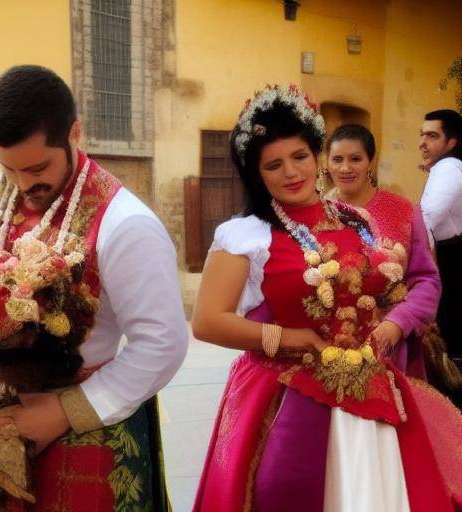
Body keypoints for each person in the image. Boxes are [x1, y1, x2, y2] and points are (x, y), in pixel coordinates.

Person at [192, 85, 462, 512]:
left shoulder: (356, 220)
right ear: (256, 174)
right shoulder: (244, 235)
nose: (291, 173)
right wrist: (293, 339)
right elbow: (207, 321)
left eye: (299, 156)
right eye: (273, 165)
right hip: (285, 395)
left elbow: (402, 285)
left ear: (316, 154)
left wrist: (391, 321)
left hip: (369, 386)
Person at [0, 65, 188, 510]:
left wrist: (65, 412)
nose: (23, 185)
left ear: (74, 132)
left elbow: (163, 344)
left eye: (38, 167)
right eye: (9, 169)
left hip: (84, 420)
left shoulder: (128, 225)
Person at [325, 124, 448, 383]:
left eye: (355, 159)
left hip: (392, 350)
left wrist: (397, 323)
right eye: (337, 159)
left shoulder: (402, 211)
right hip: (330, 352)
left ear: (371, 161)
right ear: (326, 163)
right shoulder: (319, 215)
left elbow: (427, 280)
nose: (345, 168)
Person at [419, 110, 462, 362]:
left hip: (451, 261)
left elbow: (426, 219)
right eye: (422, 134)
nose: (422, 142)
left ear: (452, 142)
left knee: (449, 341)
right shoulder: (447, 167)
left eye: (432, 135)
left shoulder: (448, 168)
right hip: (450, 255)